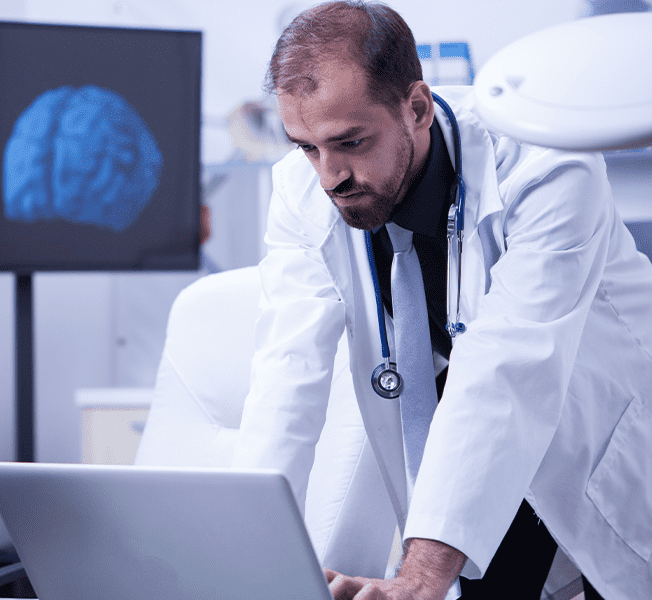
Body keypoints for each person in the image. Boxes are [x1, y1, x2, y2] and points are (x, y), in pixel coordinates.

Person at [230, 2, 652, 599]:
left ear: (418, 107)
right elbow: (285, 374)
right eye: (307, 147)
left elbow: (509, 365)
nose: (329, 177)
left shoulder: (546, 165)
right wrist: (242, 557)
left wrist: (420, 577)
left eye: (349, 142)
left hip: (602, 443)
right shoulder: (302, 192)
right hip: (477, 469)